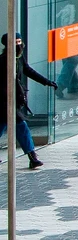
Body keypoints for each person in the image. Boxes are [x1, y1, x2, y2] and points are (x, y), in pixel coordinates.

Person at [4, 36, 53, 170]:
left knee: (18, 126)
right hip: (4, 102)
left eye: (20, 42)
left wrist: (46, 82)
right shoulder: (3, 60)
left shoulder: (19, 59)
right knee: (21, 126)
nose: (19, 46)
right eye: (16, 43)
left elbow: (29, 71)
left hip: (13, 102)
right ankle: (33, 158)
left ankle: (33, 158)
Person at [54, 0, 78, 95]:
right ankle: (61, 85)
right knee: (72, 60)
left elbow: (54, 20)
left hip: (62, 36)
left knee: (69, 61)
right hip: (76, 35)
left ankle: (73, 84)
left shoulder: (57, 4)